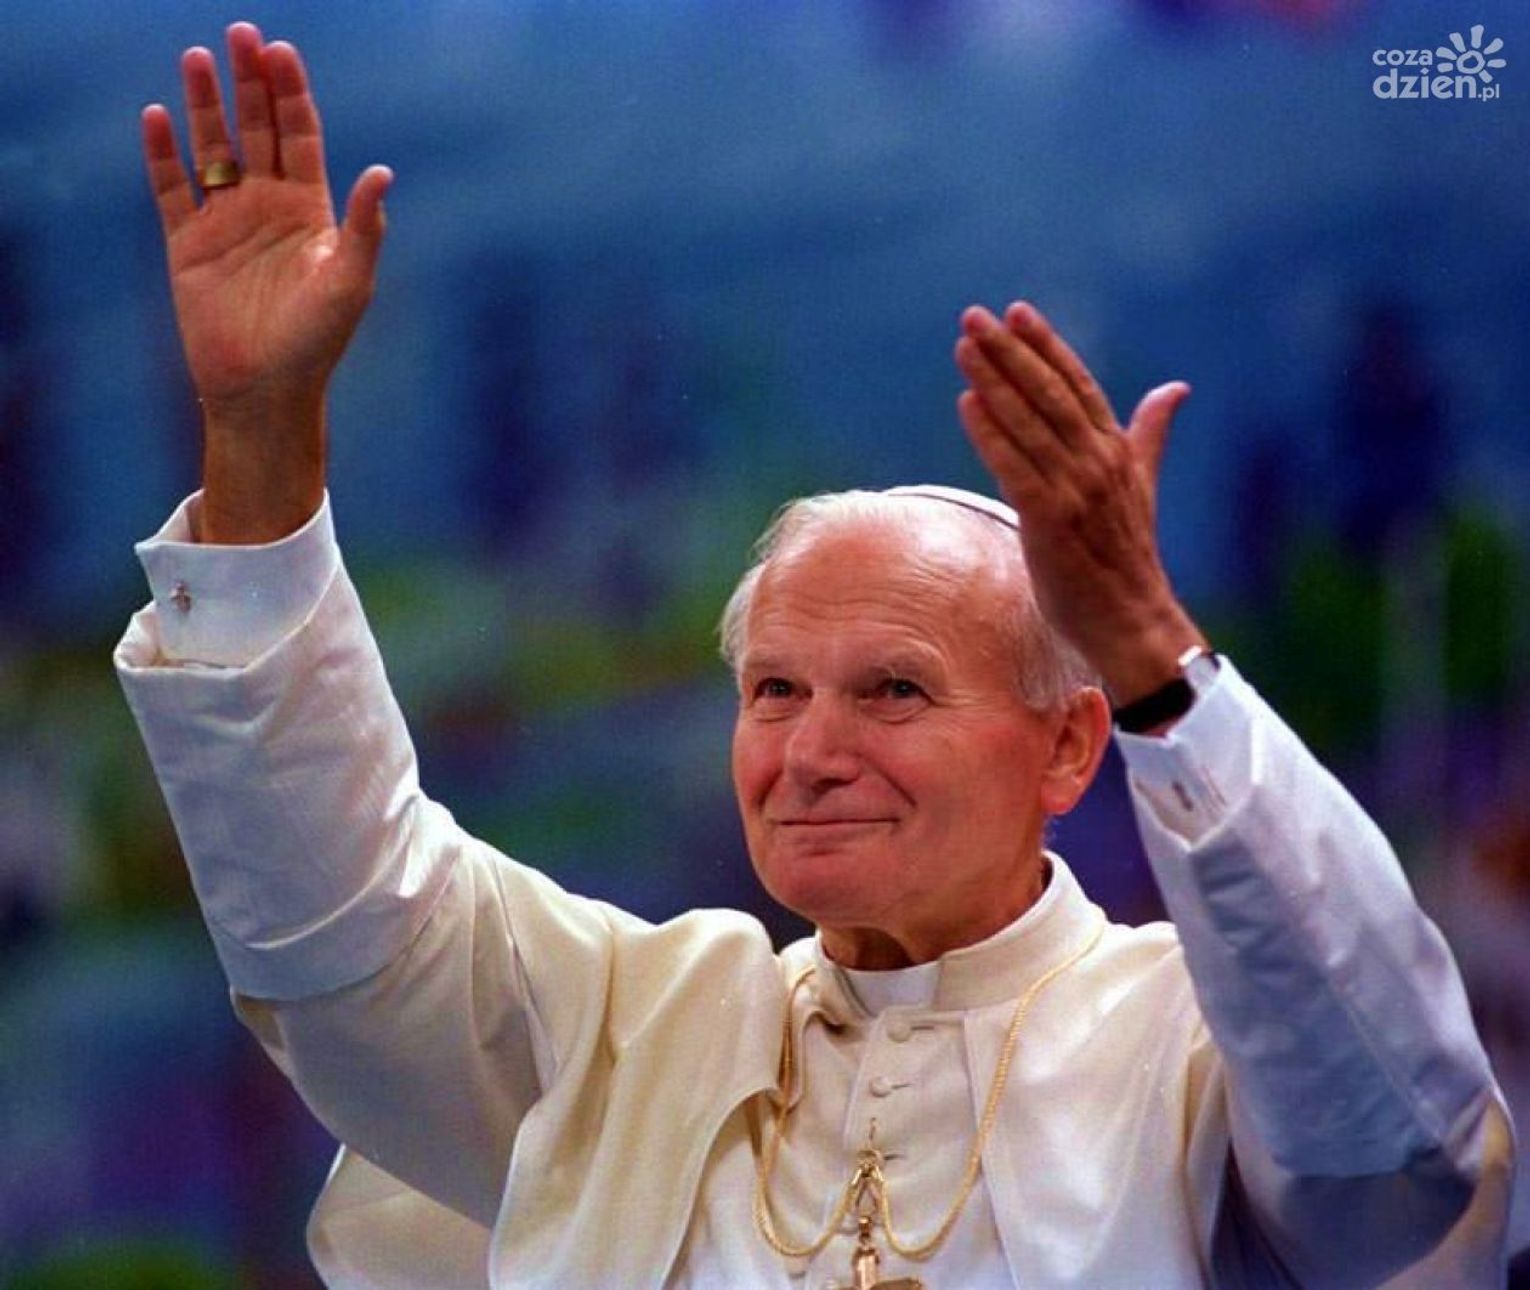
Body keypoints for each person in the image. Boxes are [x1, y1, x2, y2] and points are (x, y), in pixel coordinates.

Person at [116, 23, 1513, 1289]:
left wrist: (1149, 644)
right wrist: (259, 432)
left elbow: (1391, 1155)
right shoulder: (627, 1028)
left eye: (894, 690)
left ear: (1069, 745)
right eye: (773, 690)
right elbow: (344, 917)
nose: (812, 753)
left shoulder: (1192, 1047)